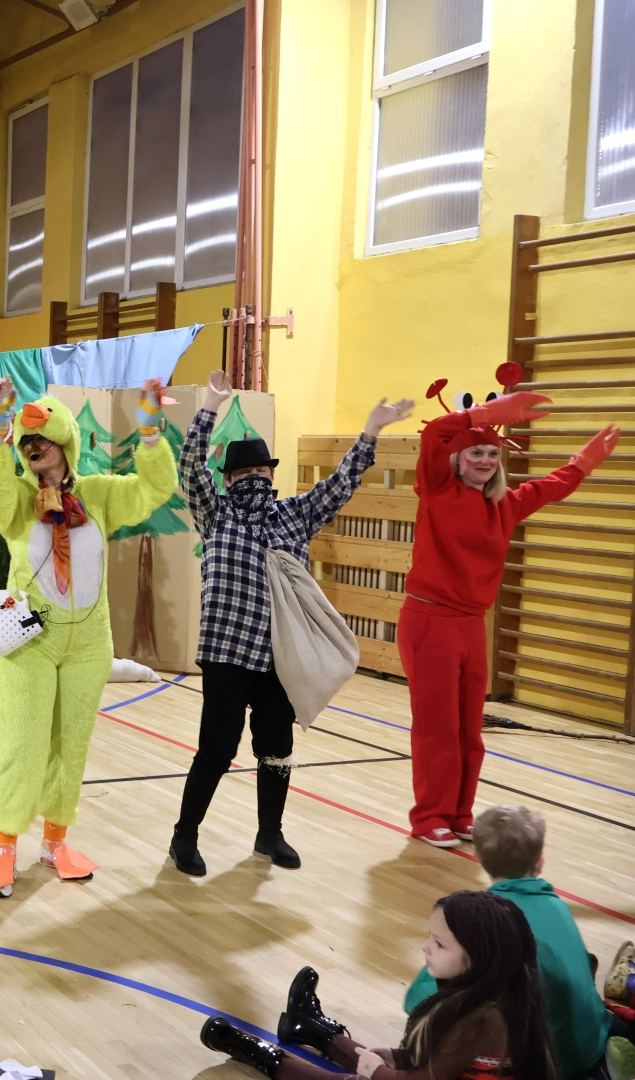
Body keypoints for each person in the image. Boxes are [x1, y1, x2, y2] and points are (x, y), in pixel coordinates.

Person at [169, 371, 413, 876]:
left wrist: (370, 432)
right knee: (217, 748)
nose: (256, 477)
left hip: (280, 655)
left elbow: (340, 485)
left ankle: (270, 834)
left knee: (276, 748)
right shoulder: (215, 513)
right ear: (229, 480)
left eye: (262, 469)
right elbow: (190, 465)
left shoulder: (293, 516)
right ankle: (184, 837)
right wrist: (210, 407)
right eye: (245, 472)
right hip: (226, 653)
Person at [0, 375, 179, 898]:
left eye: (42, 441)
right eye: (27, 444)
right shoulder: (19, 498)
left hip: (88, 644)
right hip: (30, 642)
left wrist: (150, 433)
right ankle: (4, 846)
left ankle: (55, 842)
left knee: (71, 745)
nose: (34, 449)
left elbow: (152, 489)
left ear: (65, 443)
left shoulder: (99, 494)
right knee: (24, 741)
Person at [401, 394, 619, 847]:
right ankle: (429, 817)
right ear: (457, 459)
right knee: (437, 728)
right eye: (475, 452)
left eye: (491, 453)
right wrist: (483, 415)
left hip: (471, 624)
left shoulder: (505, 504)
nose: (484, 460)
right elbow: (434, 433)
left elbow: (552, 486)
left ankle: (460, 813)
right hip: (430, 621)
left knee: (469, 729)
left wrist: (583, 462)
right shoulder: (437, 488)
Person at [202, 890, 555, 1079]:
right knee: (375, 1063)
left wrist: (374, 1070)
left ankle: (263, 1056)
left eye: (439, 943)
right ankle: (312, 1029)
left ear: (478, 957)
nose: (425, 947)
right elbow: (437, 1061)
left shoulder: (480, 1020)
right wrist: (393, 1057)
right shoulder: (501, 997)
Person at [405, 806, 620, 1079]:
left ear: (478, 857)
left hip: (548, 1064)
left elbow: (419, 1000)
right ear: (540, 861)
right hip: (593, 1044)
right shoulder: (558, 907)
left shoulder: (485, 922)